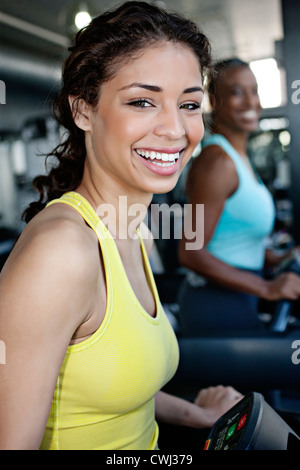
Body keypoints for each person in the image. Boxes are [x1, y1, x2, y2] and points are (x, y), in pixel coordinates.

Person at [0, 2, 243, 451]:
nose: (175, 128)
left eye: (189, 103)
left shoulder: (129, 229)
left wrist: (197, 414)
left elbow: (110, 389)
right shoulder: (62, 252)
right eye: (142, 101)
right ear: (83, 111)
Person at [178, 58, 300, 334]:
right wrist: (267, 287)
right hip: (215, 304)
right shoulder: (217, 161)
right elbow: (191, 252)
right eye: (236, 92)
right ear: (214, 100)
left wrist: (279, 258)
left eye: (254, 91)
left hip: (241, 298)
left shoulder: (239, 159)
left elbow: (237, 244)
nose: (250, 102)